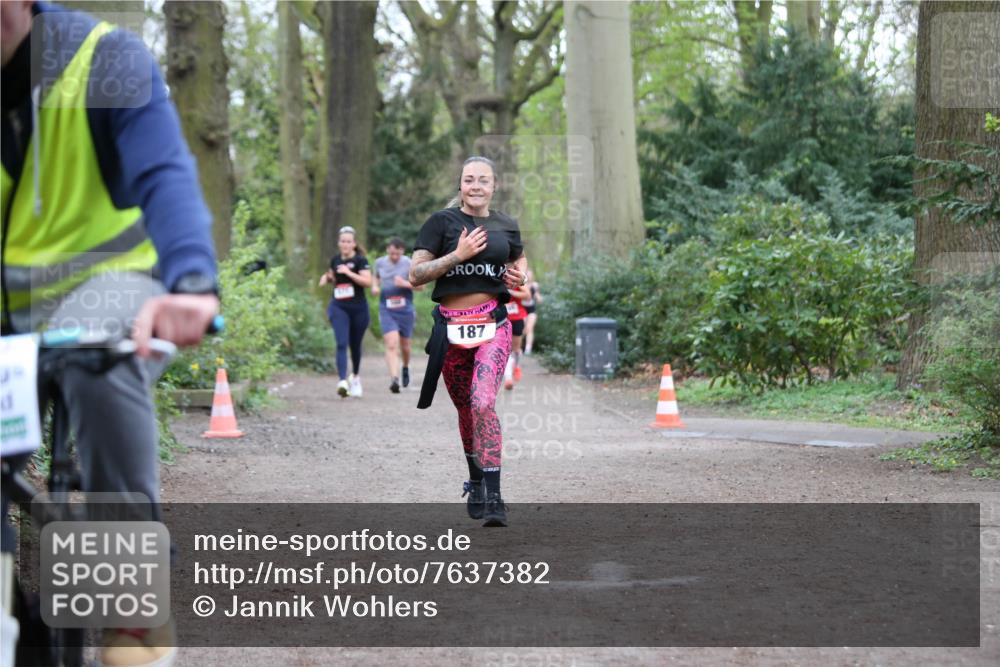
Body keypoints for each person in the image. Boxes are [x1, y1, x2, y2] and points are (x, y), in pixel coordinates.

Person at [1, 2, 219, 665]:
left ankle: (130, 603)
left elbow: (166, 175)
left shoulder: (106, 58)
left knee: (96, 351)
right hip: (8, 308)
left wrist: (191, 283)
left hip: (111, 285)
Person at [410, 156, 527, 527]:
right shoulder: (440, 223)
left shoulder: (506, 225)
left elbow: (521, 262)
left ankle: (494, 496)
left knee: (482, 401)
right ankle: (475, 481)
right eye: (469, 180)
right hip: (450, 331)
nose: (476, 186)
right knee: (466, 411)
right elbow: (416, 274)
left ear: (495, 186)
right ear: (460, 185)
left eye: (483, 180)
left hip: (493, 325)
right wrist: (457, 255)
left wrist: (517, 277)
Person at [319, 226, 372, 398]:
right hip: (339, 307)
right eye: (343, 241)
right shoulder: (335, 260)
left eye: (349, 241)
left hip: (358, 308)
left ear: (354, 244)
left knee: (355, 345)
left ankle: (355, 377)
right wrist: (327, 278)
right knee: (341, 342)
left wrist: (349, 273)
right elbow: (333, 277)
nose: (345, 244)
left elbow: (367, 282)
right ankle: (342, 381)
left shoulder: (360, 261)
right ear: (339, 243)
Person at [372, 238, 422, 393]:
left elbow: (421, 286)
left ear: (402, 252)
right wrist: (374, 286)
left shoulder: (409, 263)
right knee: (391, 344)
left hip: (405, 309)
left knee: (405, 346)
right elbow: (376, 278)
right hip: (386, 308)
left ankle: (405, 367)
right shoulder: (379, 263)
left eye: (397, 254)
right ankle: (394, 379)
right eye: (392, 253)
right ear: (387, 250)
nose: (394, 256)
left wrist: (405, 284)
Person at [503, 284, 530, 390]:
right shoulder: (496, 275)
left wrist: (510, 292)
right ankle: (508, 378)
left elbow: (527, 295)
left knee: (516, 349)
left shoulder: (515, 277)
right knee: (506, 350)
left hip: (517, 318)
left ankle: (517, 366)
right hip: (503, 318)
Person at [522, 269, 542, 355]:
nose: (529, 276)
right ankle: (517, 348)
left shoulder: (535, 285)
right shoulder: (521, 285)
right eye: (527, 274)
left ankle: (528, 349)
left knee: (530, 328)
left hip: (531, 309)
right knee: (522, 329)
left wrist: (538, 297)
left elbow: (539, 298)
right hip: (522, 308)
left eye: (530, 274)